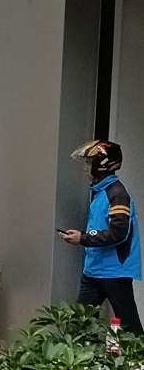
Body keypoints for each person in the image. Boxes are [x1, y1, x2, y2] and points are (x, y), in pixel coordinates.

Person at [60, 140, 143, 333]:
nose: (85, 168)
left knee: (130, 328)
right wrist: (82, 236)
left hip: (114, 272)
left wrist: (83, 238)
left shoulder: (117, 193)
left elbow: (119, 232)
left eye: (89, 163)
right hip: (94, 270)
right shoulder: (100, 192)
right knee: (78, 326)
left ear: (102, 165)